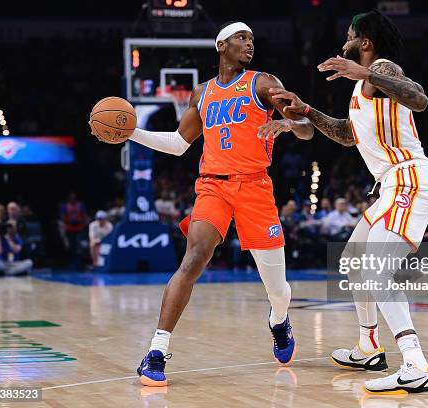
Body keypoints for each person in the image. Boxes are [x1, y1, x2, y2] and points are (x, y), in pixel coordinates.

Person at [104, 21, 314, 386]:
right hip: (213, 187)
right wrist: (132, 132)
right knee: (193, 258)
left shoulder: (263, 83)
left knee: (277, 288)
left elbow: (307, 130)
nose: (249, 44)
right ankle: (156, 351)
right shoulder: (202, 93)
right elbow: (178, 142)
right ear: (221, 45)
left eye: (251, 38)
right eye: (241, 38)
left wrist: (289, 124)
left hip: (254, 188)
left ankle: (279, 321)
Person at [270, 10, 428, 393]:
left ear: (364, 42)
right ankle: (369, 346)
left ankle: (416, 364)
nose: (343, 41)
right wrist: (308, 112)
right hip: (389, 186)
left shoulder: (382, 68)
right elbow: (349, 136)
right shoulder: (361, 86)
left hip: (409, 177)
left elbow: (420, 99)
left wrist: (365, 72)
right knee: (352, 261)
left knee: (378, 271)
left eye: (349, 36)